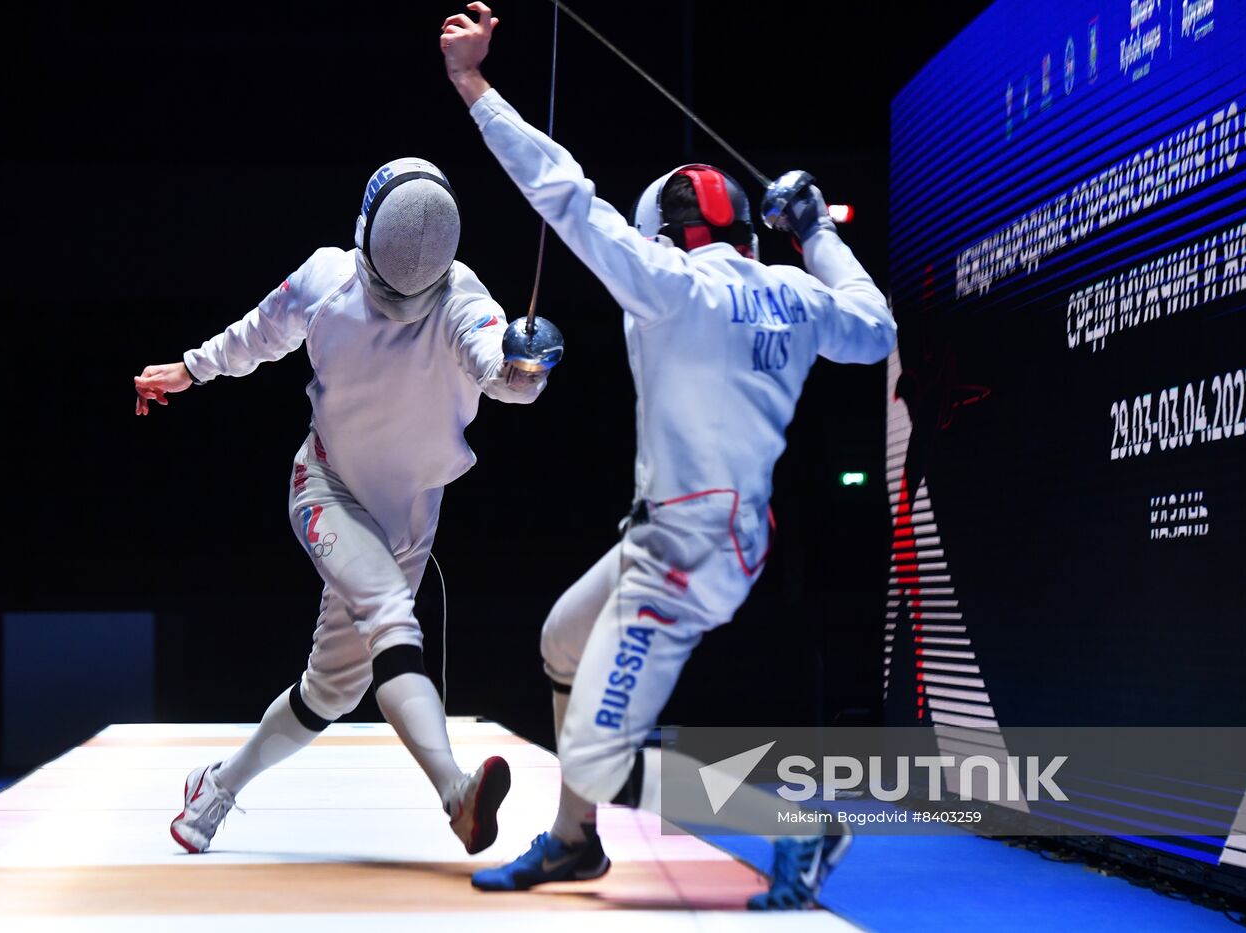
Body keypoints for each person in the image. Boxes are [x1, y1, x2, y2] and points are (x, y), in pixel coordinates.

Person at [440, 3, 896, 911]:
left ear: (662, 234)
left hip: (683, 552)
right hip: (711, 535)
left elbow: (563, 192)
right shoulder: (793, 292)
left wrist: (472, 83)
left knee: (599, 756)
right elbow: (876, 329)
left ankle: (791, 822)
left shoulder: (671, 284)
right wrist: (817, 230)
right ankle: (575, 842)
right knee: (562, 639)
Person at [134, 156, 553, 857]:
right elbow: (258, 333)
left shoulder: (462, 297)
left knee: (330, 689)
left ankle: (216, 786)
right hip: (327, 491)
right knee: (392, 620)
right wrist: (192, 367)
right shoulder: (326, 279)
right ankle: (456, 793)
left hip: (411, 521)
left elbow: (501, 371)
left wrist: (527, 363)